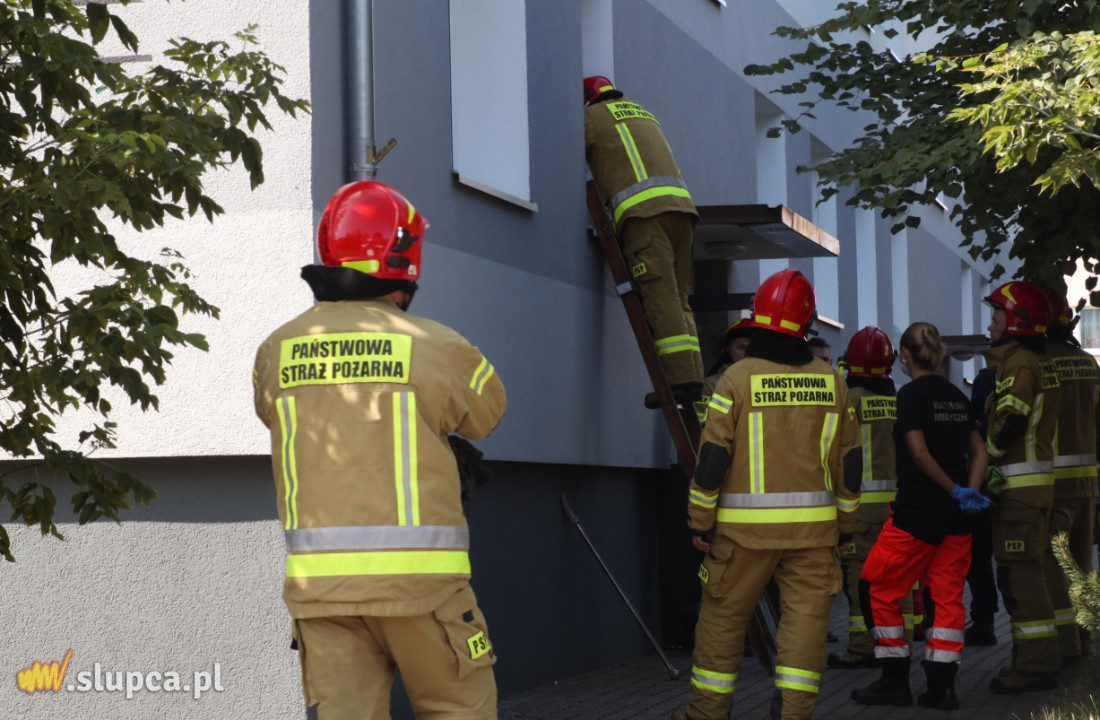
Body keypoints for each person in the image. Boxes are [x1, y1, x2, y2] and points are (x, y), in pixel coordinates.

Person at [252, 181, 507, 719]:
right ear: (407, 260)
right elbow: (487, 414)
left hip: (322, 595)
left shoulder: (277, 349)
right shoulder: (438, 345)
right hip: (423, 592)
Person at [673, 269, 860, 720]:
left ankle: (706, 715)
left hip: (741, 537)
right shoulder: (833, 382)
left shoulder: (736, 379)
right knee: (806, 627)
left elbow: (712, 460)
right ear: (806, 323)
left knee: (721, 623)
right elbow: (849, 466)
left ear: (758, 317)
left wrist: (700, 521)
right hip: (814, 536)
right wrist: (846, 528)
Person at [852, 322, 990, 710]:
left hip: (917, 514)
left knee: (876, 586)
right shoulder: (956, 397)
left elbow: (918, 452)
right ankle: (942, 689)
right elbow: (979, 451)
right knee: (946, 598)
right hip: (957, 519)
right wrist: (969, 493)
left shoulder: (910, 395)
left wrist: (951, 489)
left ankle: (894, 681)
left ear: (905, 356)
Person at [583, 75, 703, 406]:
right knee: (679, 299)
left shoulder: (591, 118)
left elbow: (564, 149)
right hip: (682, 212)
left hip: (644, 217)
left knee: (660, 297)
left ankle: (679, 381)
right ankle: (692, 377)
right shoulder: (641, 112)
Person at [982, 280, 1061, 694]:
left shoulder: (1018, 364)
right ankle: (1037, 660)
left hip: (1020, 495)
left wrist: (986, 455)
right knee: (1025, 574)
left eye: (996, 317)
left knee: (1020, 579)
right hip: (1029, 492)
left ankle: (1034, 668)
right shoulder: (1024, 360)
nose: (990, 326)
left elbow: (1010, 422)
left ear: (1015, 322)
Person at [828, 326, 913, 669]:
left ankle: (864, 646)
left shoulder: (849, 401)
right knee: (898, 579)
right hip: (901, 509)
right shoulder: (902, 401)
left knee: (862, 580)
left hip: (862, 510)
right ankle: (899, 642)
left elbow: (834, 454)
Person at [1042, 288, 1099, 664]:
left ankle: (1067, 650)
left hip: (1055, 486)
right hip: (1087, 485)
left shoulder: (1041, 364)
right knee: (1083, 569)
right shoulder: (1090, 366)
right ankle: (1087, 643)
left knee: (1055, 568)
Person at [964, 365, 1000, 646]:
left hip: (988, 484)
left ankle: (985, 622)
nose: (989, 328)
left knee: (979, 558)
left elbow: (977, 425)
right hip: (1013, 484)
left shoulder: (986, 379)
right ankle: (985, 622)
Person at [696, 318, 753, 424]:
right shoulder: (710, 385)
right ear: (727, 348)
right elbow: (702, 422)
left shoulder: (765, 382)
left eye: (751, 349)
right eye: (740, 348)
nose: (746, 354)